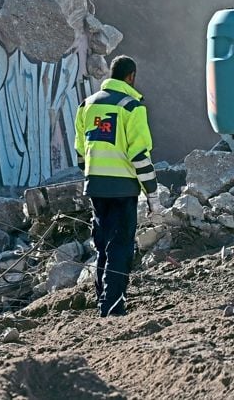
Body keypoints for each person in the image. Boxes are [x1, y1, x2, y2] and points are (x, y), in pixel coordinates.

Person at [74, 55, 159, 317]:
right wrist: (152, 194)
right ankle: (113, 306)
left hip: (96, 187)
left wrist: (95, 175)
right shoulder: (132, 107)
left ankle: (103, 300)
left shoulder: (87, 106)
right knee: (120, 246)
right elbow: (139, 156)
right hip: (123, 189)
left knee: (102, 246)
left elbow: (80, 152)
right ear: (131, 76)